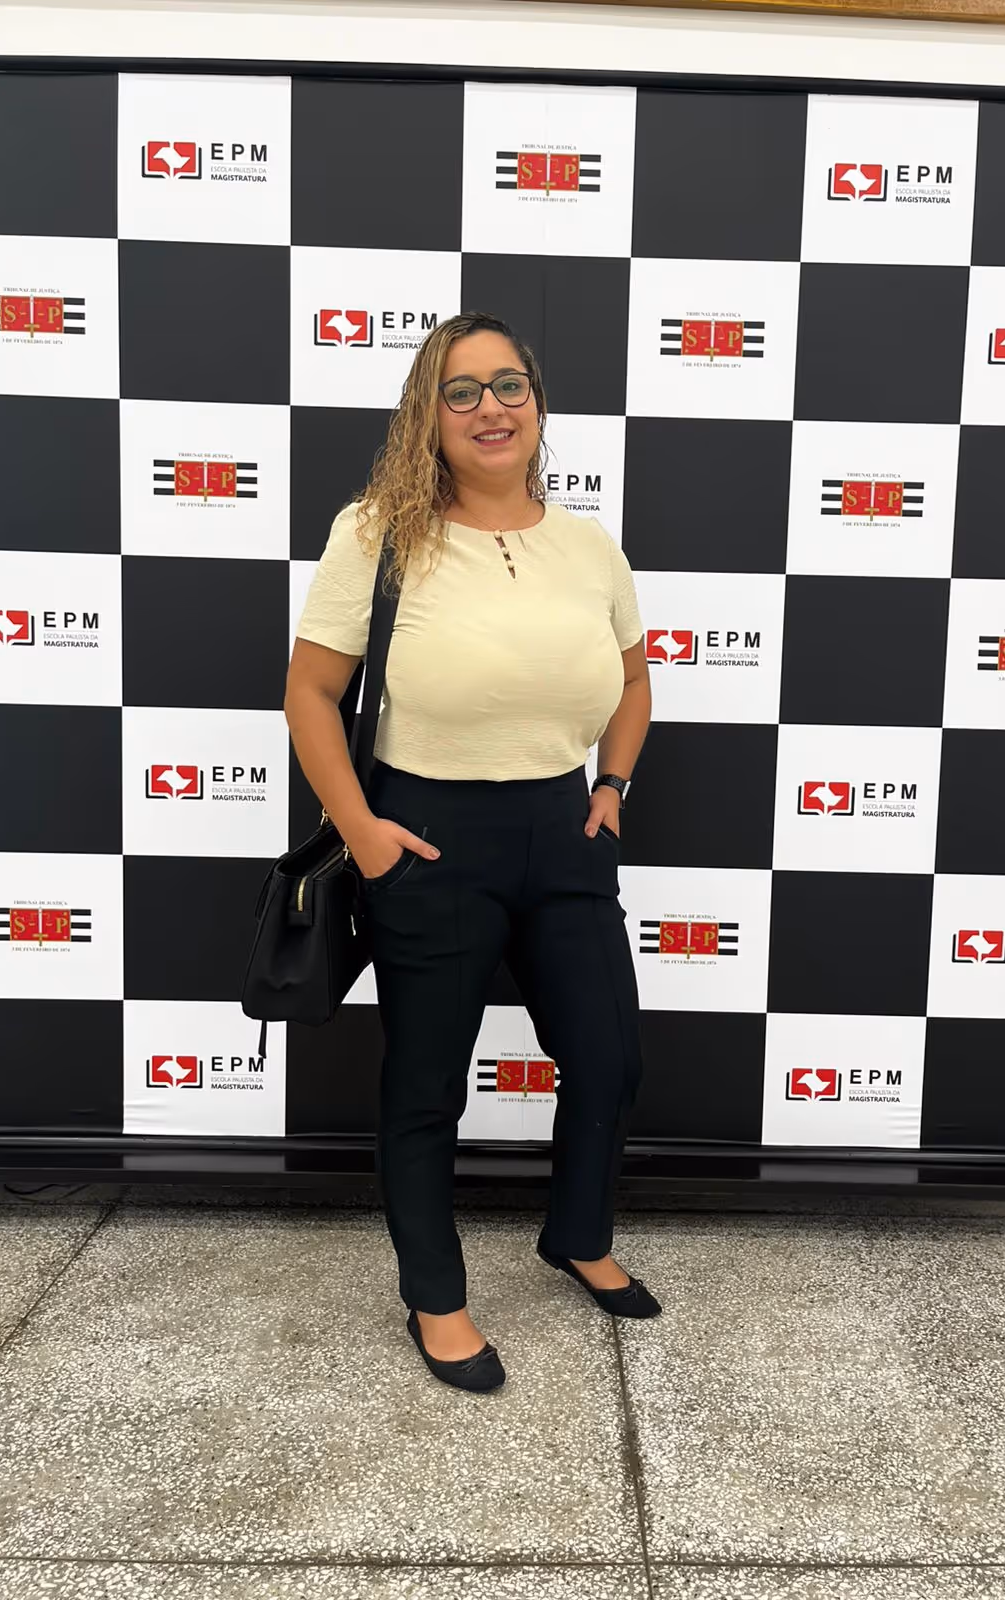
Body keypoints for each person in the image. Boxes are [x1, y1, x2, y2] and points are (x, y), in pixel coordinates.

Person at [285, 311, 659, 1394]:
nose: (490, 407)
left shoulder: (588, 545)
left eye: (510, 385)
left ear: (537, 404)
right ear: (428, 415)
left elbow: (634, 680)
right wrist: (363, 833)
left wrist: (612, 786)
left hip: (563, 829)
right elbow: (312, 694)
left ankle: (576, 1236)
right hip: (426, 833)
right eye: (462, 391)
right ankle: (435, 1297)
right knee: (425, 1085)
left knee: (608, 1055)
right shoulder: (377, 533)